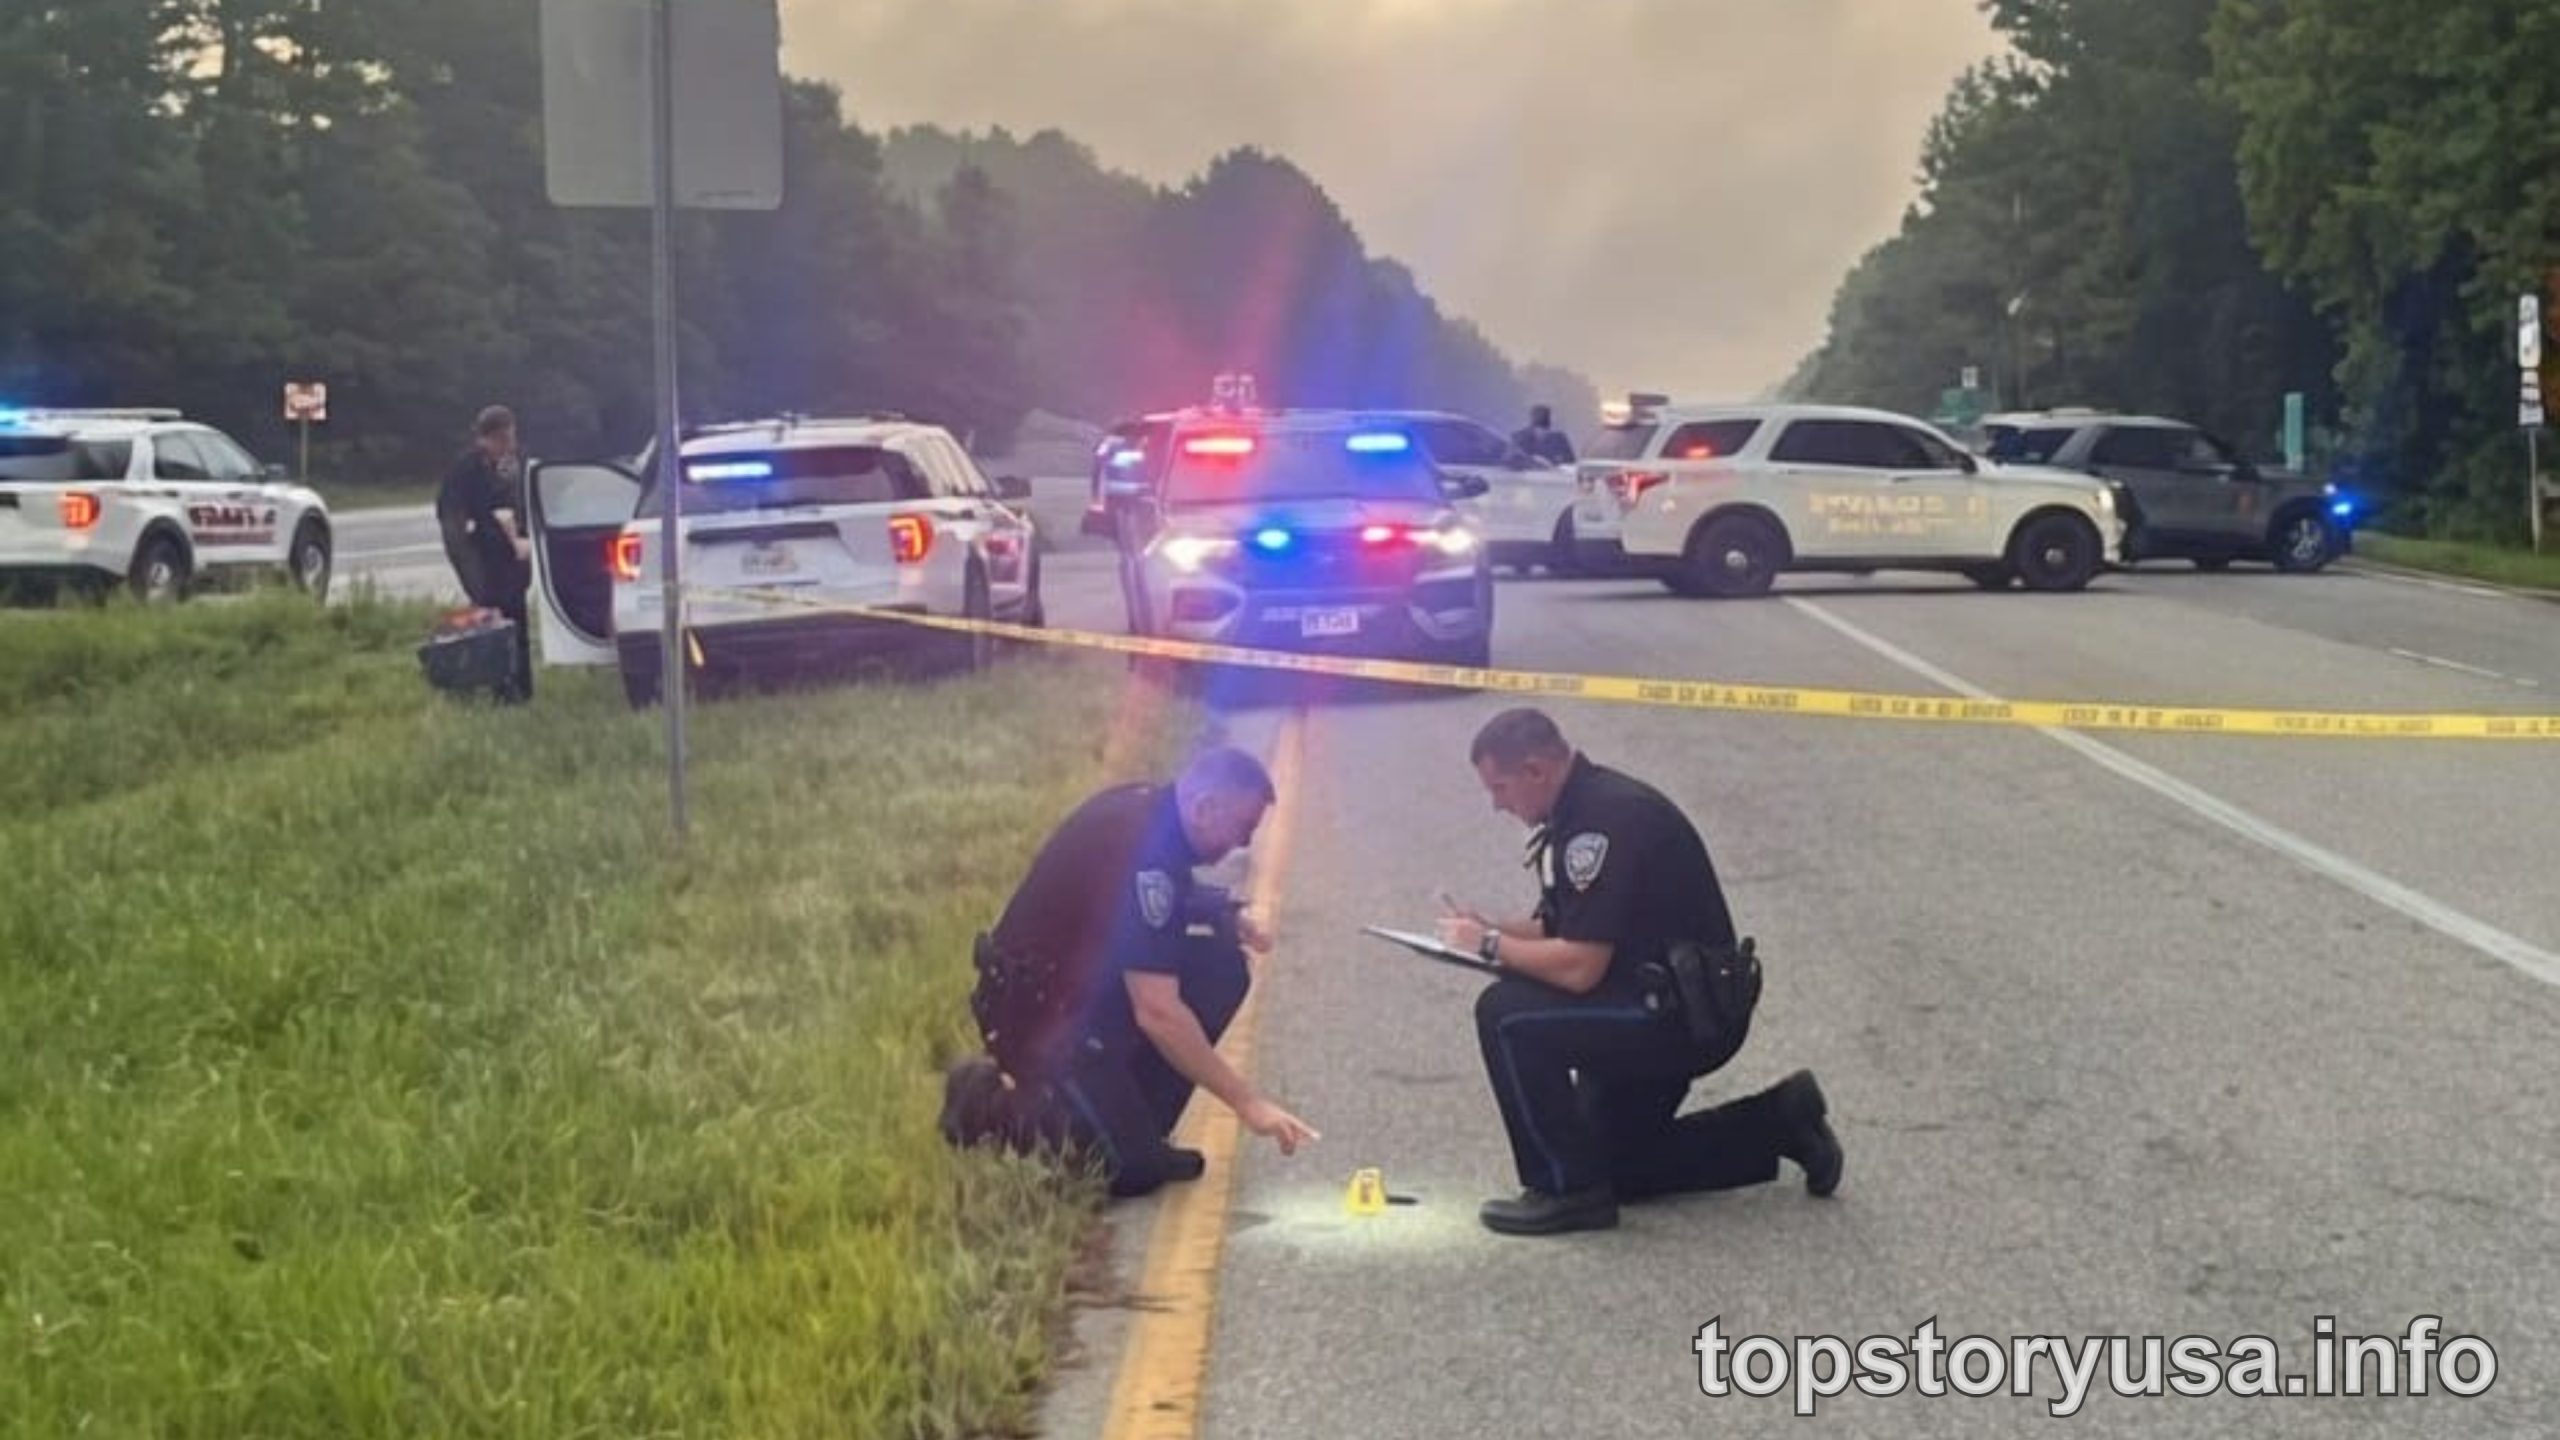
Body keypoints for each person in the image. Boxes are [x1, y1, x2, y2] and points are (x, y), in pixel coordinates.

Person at [1434, 708, 1842, 1236]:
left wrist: (1491, 948)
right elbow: (1558, 926)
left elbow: (1579, 968)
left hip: (1676, 1015)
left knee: (1505, 1013)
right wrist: (1488, 929)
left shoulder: (1601, 823)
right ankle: (1781, 1122)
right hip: (1659, 998)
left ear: (1535, 770)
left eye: (1501, 787)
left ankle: (1566, 1192)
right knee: (1610, 1162)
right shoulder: (1584, 807)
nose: (1497, 804)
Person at [941, 746, 1320, 1197]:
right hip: (1037, 1018)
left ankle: (1133, 1125)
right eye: (1242, 829)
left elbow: (1152, 902)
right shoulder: (1147, 852)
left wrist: (1226, 914)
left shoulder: (1153, 814)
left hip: (1076, 991)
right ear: (1204, 808)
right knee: (1124, 1171)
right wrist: (1249, 1104)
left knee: (1220, 965)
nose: (1241, 844)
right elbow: (1157, 1012)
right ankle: (989, 1106)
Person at [435, 405, 534, 702]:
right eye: (501, 439)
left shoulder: (518, 465)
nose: (507, 445)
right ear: (484, 439)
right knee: (491, 626)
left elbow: (531, 503)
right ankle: (499, 688)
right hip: (484, 558)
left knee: (517, 623)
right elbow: (451, 522)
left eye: (510, 437)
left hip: (514, 558)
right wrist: (470, 572)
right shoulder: (465, 470)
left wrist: (527, 541)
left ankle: (521, 689)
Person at [1511, 405, 1577, 467]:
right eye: (1537, 431)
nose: (1541, 433)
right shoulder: (1518, 438)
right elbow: (1509, 462)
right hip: (1523, 477)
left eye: (1544, 431)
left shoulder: (1560, 439)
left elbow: (1571, 462)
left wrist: (1553, 464)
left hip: (1553, 476)